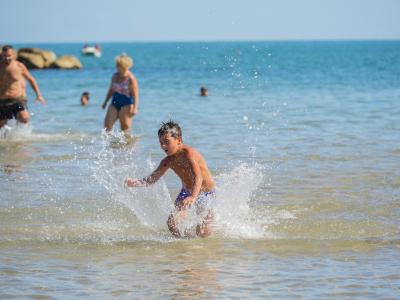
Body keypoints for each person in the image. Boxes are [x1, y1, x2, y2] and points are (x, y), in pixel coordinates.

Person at [125, 120, 216, 238]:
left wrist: (193, 197)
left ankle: (206, 241)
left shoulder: (189, 154)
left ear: (179, 140)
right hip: (187, 192)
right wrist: (136, 183)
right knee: (172, 223)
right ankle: (186, 243)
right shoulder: (167, 161)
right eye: (161, 142)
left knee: (202, 232)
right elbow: (152, 178)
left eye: (167, 142)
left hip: (205, 192)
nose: (163, 146)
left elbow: (198, 177)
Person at [0, 45, 46, 129]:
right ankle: (6, 139)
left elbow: (31, 79)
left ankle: (20, 137)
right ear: (2, 55)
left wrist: (38, 95)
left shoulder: (19, 66)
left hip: (17, 99)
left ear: (13, 54)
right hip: (3, 101)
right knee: (1, 124)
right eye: (5, 56)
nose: (7, 58)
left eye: (9, 55)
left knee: (24, 118)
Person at [101, 53, 139, 136]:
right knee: (107, 127)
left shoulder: (131, 78)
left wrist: (135, 108)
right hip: (115, 102)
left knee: (125, 129)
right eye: (116, 65)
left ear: (124, 65)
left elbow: (135, 94)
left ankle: (127, 148)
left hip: (127, 103)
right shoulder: (115, 76)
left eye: (118, 65)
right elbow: (111, 90)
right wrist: (105, 102)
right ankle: (109, 146)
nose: (116, 66)